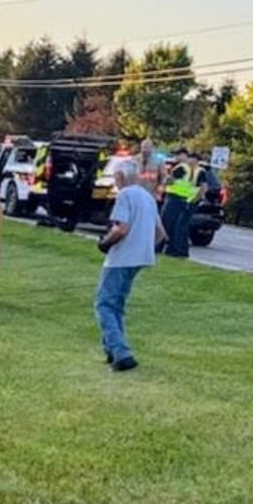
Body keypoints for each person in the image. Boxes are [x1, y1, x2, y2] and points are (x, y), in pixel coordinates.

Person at [94, 157, 167, 372]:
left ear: (120, 176)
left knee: (104, 305)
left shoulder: (125, 195)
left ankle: (121, 352)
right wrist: (143, 247)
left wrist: (104, 244)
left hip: (120, 259)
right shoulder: (148, 197)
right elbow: (161, 233)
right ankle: (111, 350)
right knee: (117, 304)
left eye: (116, 177)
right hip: (141, 258)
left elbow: (121, 229)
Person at [160, 148, 198, 257]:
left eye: (178, 155)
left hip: (174, 198)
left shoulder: (181, 167)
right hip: (183, 199)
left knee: (166, 224)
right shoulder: (191, 169)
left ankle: (160, 247)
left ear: (183, 155)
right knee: (178, 227)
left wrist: (166, 176)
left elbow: (170, 180)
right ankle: (177, 249)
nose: (176, 157)